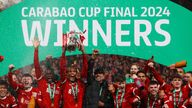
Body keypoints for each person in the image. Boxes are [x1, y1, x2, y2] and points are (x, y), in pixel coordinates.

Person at [33, 39, 61, 108]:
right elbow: (36, 66)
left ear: (54, 74)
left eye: (51, 74)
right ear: (44, 75)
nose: (49, 76)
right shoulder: (41, 82)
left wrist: (50, 61)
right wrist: (36, 49)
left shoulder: (58, 84)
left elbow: (62, 70)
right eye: (47, 74)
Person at [60, 43, 88, 108]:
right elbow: (62, 68)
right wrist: (63, 53)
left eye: (74, 71)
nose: (72, 73)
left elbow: (85, 67)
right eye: (70, 71)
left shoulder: (80, 83)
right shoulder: (64, 83)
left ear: (77, 72)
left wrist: (83, 52)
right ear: (67, 73)